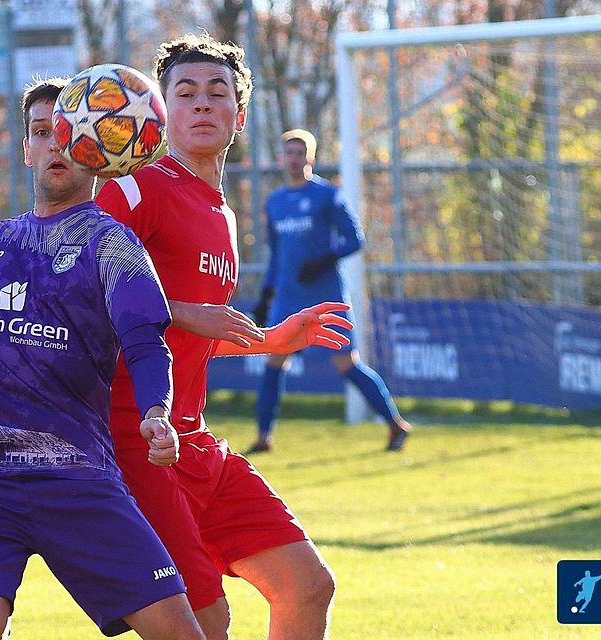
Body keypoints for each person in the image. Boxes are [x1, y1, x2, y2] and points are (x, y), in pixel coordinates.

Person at [0, 78, 205, 640]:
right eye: (41, 133)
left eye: (67, 133)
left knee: (180, 633)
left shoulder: (114, 245)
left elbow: (146, 341)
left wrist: (156, 410)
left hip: (74, 479)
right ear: (26, 147)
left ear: (94, 147)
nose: (54, 144)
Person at [95, 34, 353, 640]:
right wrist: (183, 312)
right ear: (161, 112)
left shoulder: (223, 213)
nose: (202, 104)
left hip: (196, 441)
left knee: (307, 585)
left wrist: (270, 341)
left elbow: (197, 335)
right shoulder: (134, 188)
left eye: (218, 94)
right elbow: (81, 294)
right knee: (206, 624)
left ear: (240, 115)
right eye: (185, 93)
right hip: (136, 441)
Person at [249, 128, 413, 454]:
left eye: (300, 154)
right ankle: (264, 436)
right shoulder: (276, 201)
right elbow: (277, 254)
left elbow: (355, 239)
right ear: (282, 158)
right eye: (288, 154)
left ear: (310, 158)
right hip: (289, 297)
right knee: (274, 361)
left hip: (325, 295)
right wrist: (267, 296)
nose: (293, 160)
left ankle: (395, 424)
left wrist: (324, 260)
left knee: (346, 364)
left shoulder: (327, 195)